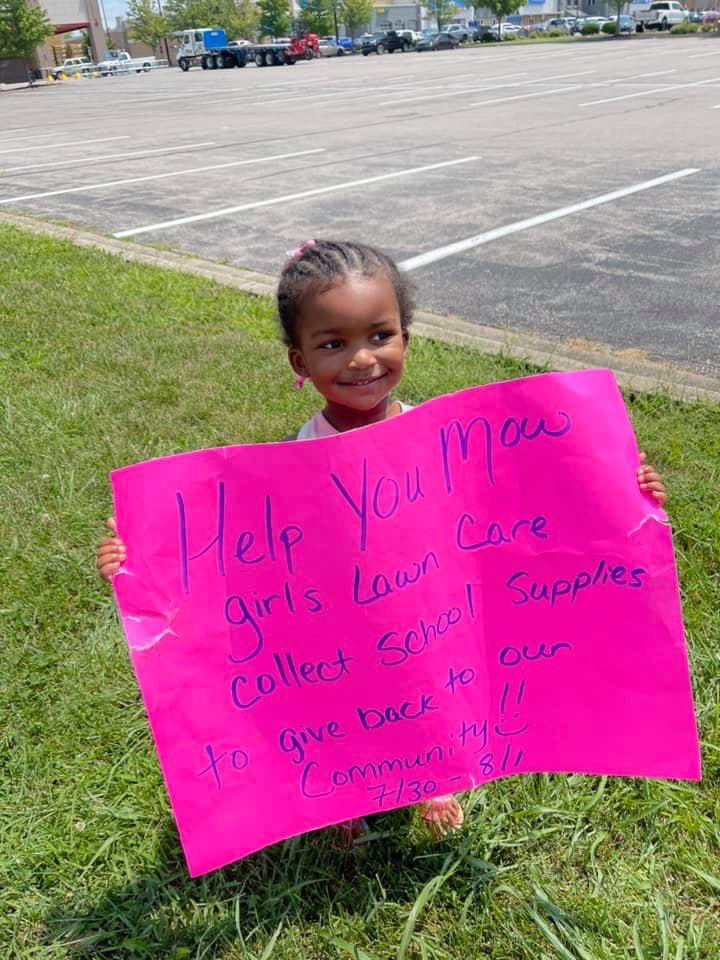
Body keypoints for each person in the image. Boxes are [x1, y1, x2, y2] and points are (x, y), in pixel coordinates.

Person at [96, 238, 667, 844]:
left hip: (425, 607)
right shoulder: (292, 464)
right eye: (332, 344)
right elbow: (233, 559)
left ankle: (434, 779)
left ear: (406, 339)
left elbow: (524, 506)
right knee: (345, 701)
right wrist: (142, 560)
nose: (362, 359)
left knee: (424, 688)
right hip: (340, 619)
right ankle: (345, 798)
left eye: (380, 335)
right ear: (299, 363)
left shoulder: (446, 442)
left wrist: (623, 490)